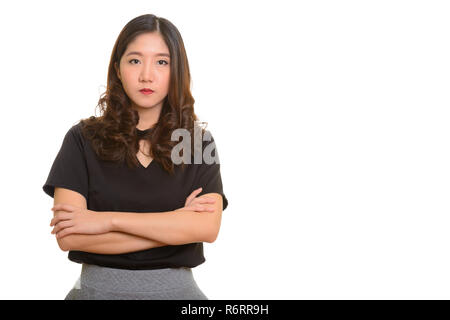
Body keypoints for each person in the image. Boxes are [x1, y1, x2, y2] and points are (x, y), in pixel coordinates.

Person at [42, 13, 228, 300]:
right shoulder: (82, 139)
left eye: (162, 62)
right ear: (117, 68)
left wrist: (106, 221)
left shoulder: (195, 143)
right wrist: (174, 224)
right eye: (135, 60)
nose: (147, 75)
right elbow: (70, 236)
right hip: (95, 293)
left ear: (176, 71)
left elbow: (205, 227)